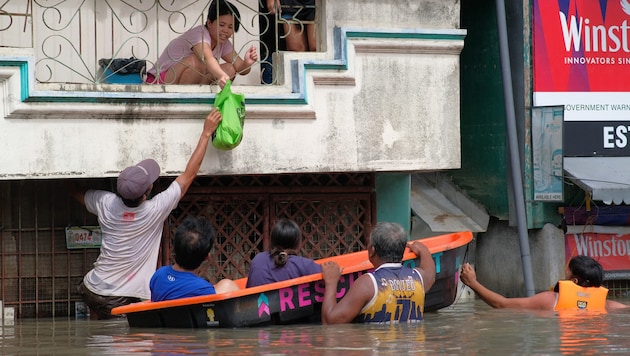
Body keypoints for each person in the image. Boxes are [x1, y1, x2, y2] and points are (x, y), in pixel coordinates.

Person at [67, 108, 223, 319]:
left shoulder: (105, 202)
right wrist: (206, 133)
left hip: (92, 288)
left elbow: (75, 192)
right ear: (147, 193)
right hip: (122, 297)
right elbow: (189, 174)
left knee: (102, 332)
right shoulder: (155, 209)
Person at [320, 222, 436, 324]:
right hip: (414, 348)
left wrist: (331, 282)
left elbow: (331, 321)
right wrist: (424, 251)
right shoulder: (419, 279)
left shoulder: (368, 284)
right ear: (403, 250)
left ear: (372, 250)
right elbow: (430, 272)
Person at [146, 0, 258, 86]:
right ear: (209, 23)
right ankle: (186, 99)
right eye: (222, 25)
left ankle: (199, 95)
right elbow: (208, 58)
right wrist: (222, 76)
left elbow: (240, 69)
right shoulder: (200, 34)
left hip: (187, 79)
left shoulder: (223, 42)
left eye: (230, 27)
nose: (226, 30)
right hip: (159, 80)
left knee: (230, 68)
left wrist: (247, 63)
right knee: (198, 61)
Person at [460, 255, 630, 311]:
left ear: (574, 281)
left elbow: (501, 304)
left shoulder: (551, 300)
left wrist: (473, 283)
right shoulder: (608, 305)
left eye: (566, 273)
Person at [150, 216, 239, 301]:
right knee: (227, 284)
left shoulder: (158, 275)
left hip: (164, 316)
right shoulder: (203, 289)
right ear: (206, 257)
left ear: (174, 248)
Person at [246, 218, 321, 287]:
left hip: (260, 301)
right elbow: (328, 275)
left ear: (272, 242)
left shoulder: (258, 260)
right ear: (298, 244)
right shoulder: (305, 265)